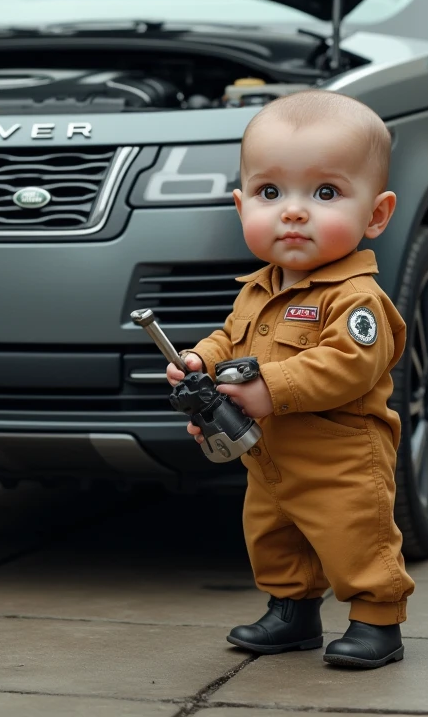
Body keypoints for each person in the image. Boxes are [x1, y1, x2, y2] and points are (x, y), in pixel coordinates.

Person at [166, 89, 414, 669]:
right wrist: (200, 359)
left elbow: (347, 364)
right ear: (241, 206)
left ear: (375, 214)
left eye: (325, 192)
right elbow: (232, 339)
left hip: (342, 453)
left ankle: (377, 620)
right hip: (270, 452)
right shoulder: (259, 288)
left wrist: (269, 389)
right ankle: (291, 610)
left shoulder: (356, 298)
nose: (293, 211)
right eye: (269, 193)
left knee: (356, 534)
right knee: (274, 531)